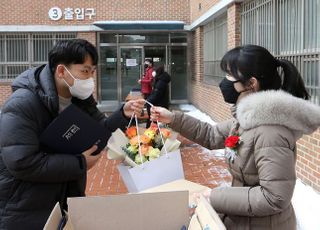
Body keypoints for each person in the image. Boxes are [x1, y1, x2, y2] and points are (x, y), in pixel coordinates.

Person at [151, 45, 320, 230]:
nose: (225, 82)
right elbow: (211, 134)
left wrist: (214, 197)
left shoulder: (270, 133)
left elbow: (274, 198)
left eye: (231, 76)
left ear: (251, 83)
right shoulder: (249, 119)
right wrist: (173, 119)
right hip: (245, 219)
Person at [0, 39, 144, 229]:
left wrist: (122, 114)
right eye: (85, 71)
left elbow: (100, 129)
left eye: (92, 71)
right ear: (61, 71)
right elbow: (22, 162)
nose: (90, 79)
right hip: (25, 205)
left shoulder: (80, 98)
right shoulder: (23, 104)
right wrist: (79, 163)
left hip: (64, 196)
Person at [145, 63, 171, 127]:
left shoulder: (161, 82)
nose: (153, 73)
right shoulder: (161, 80)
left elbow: (156, 95)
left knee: (154, 126)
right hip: (160, 105)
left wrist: (147, 101)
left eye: (154, 71)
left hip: (158, 107)